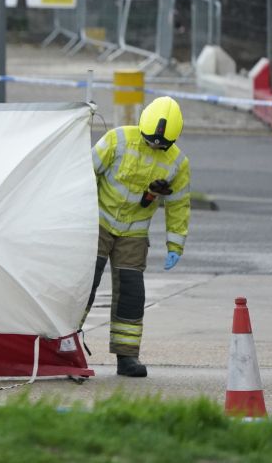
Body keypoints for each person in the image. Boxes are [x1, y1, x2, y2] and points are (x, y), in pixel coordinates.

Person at [82, 96, 191, 377]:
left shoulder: (177, 163)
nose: (155, 146)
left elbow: (179, 204)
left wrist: (175, 243)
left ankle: (127, 357)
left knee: (131, 294)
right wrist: (77, 217)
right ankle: (64, 345)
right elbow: (84, 174)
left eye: (161, 144)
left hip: (134, 233)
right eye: (151, 141)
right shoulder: (116, 140)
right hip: (97, 223)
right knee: (84, 285)